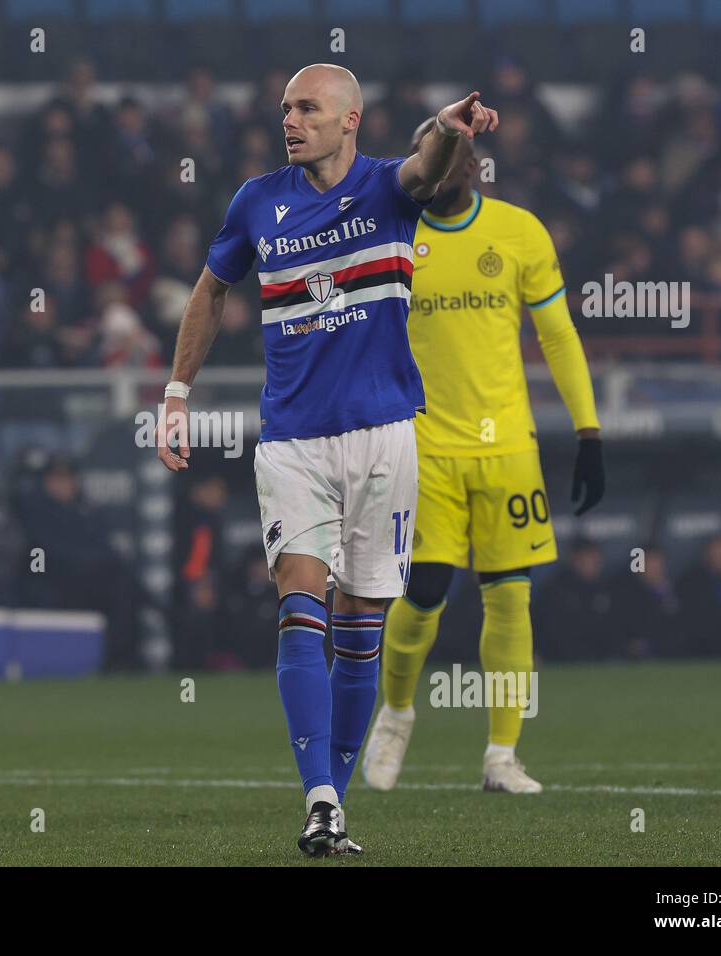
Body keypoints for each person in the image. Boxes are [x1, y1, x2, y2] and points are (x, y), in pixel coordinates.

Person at [155, 63, 498, 857]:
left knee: (359, 626)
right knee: (300, 605)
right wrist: (176, 392)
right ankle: (317, 797)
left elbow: (429, 167)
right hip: (291, 441)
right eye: (285, 109)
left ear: (350, 119)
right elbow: (211, 291)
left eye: (308, 108)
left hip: (384, 436)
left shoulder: (390, 189)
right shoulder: (256, 201)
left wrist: (448, 127)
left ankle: (331, 808)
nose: (292, 119)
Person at [363, 122, 604, 797]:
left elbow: (557, 332)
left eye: (450, 159)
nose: (438, 171)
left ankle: (503, 755)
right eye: (426, 160)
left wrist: (589, 432)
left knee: (511, 595)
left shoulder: (519, 232)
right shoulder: (392, 234)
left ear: (472, 168)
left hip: (507, 449)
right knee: (427, 590)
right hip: (425, 443)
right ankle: (398, 710)